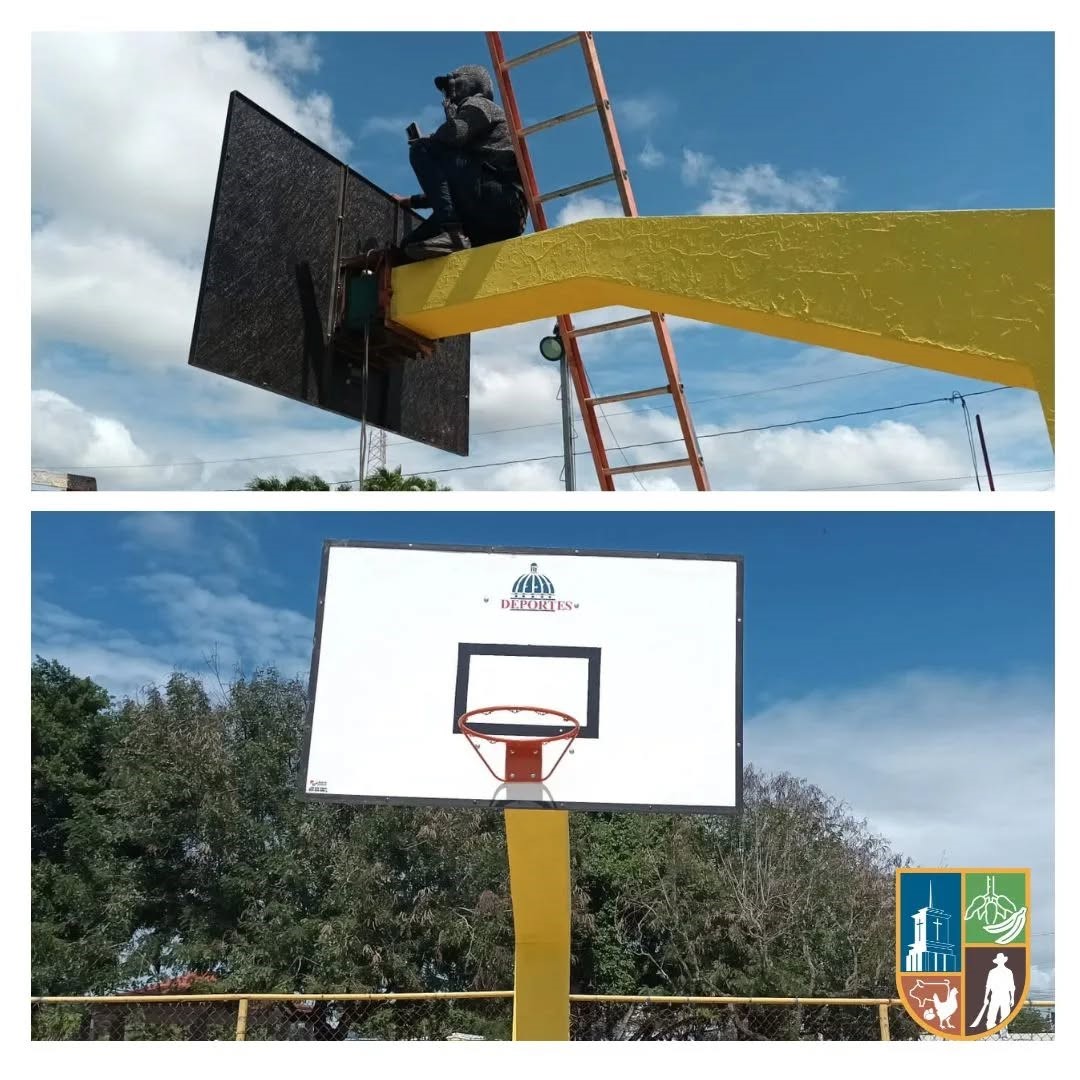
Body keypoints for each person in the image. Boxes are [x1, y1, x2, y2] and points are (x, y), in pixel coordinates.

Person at [396, 65, 527, 260]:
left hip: (499, 200)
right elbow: (448, 191)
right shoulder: (468, 155)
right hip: (491, 210)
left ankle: (453, 234)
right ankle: (454, 236)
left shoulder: (480, 104)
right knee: (408, 249)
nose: (448, 94)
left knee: (421, 148)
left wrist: (446, 121)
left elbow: (455, 133)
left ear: (474, 82)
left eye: (452, 84)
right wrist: (410, 201)